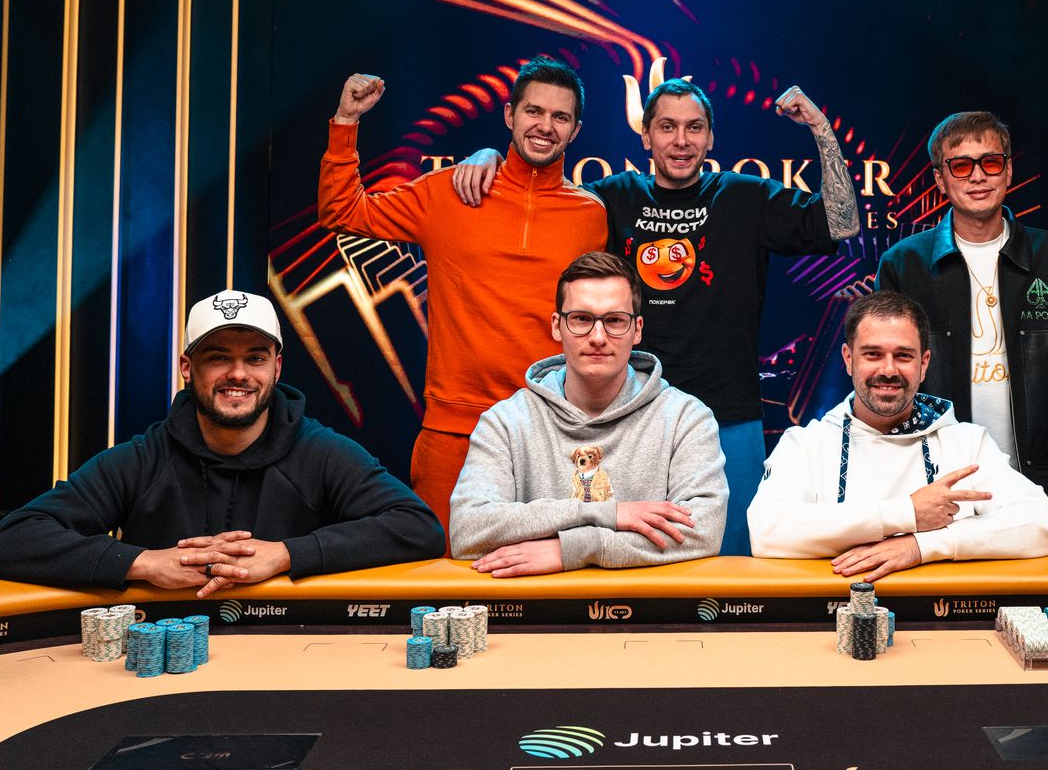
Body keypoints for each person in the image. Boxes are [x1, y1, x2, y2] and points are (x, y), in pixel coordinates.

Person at [451, 78, 859, 555]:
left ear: (711, 138)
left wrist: (820, 128)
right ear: (645, 136)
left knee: (729, 565)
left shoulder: (744, 197)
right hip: (633, 424)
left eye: (694, 128)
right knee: (624, 548)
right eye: (667, 127)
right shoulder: (610, 198)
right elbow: (536, 201)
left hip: (728, 414)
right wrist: (490, 158)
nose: (681, 141)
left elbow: (842, 224)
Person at [0, 290, 444, 595]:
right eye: (218, 357)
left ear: (276, 368)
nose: (238, 374)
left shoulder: (320, 450)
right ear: (187, 367)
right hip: (159, 665)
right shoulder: (144, 456)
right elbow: (9, 541)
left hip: (290, 653)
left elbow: (417, 528)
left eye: (255, 358)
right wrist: (141, 562)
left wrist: (285, 554)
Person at [318, 56, 607, 538]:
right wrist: (346, 122)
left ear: (576, 131)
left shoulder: (592, 215)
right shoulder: (448, 191)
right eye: (534, 111)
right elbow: (342, 211)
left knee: (550, 574)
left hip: (551, 432)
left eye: (560, 117)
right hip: (454, 432)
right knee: (441, 570)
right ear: (509, 115)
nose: (545, 126)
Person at [747, 291, 1048, 581]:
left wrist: (922, 546)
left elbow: (1043, 525)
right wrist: (908, 513)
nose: (888, 370)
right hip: (832, 613)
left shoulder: (967, 444)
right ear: (848, 359)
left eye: (903, 356)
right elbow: (766, 532)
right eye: (872, 354)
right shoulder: (806, 444)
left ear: (924, 364)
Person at [876, 110, 1048, 495]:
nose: (978, 176)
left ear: (1008, 170)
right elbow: (890, 378)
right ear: (940, 179)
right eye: (961, 166)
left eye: (990, 162)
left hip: (1043, 479)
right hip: (939, 479)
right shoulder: (903, 265)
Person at [449, 252, 728, 575]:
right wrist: (608, 513)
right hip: (539, 605)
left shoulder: (685, 418)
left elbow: (702, 531)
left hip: (648, 605)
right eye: (581, 319)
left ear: (637, 329)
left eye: (615, 321)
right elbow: (467, 531)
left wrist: (574, 548)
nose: (598, 338)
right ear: (557, 326)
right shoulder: (506, 422)